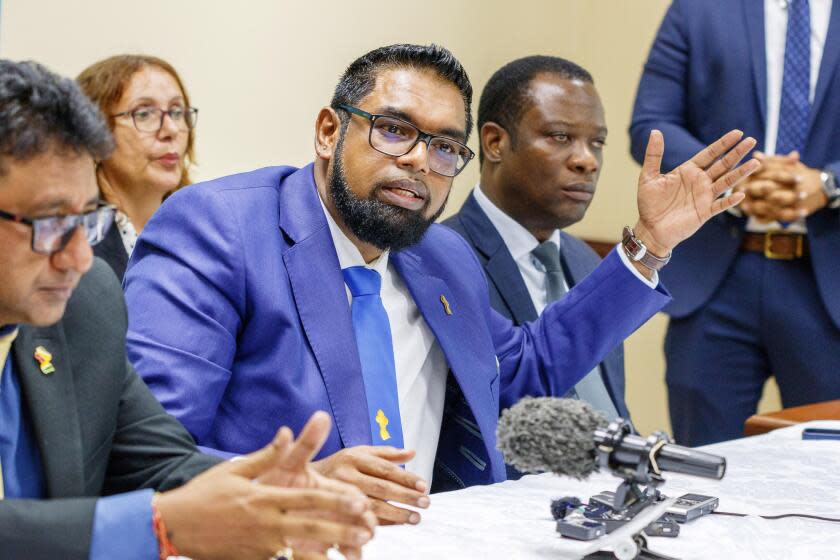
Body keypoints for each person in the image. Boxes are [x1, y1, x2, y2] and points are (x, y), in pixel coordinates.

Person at [123, 44, 755, 525]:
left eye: (445, 147)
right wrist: (296, 485)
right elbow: (149, 450)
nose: (420, 162)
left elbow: (520, 373)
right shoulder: (221, 228)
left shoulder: (439, 253)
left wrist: (649, 244)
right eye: (394, 130)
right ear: (327, 131)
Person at [0, 59, 375, 560]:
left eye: (86, 219)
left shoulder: (88, 303)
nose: (80, 258)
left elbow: (158, 460)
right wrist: (155, 525)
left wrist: (280, 496)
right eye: (49, 223)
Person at [629, 0, 840, 446]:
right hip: (717, 284)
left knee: (830, 478)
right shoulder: (698, 9)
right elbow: (650, 123)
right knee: (703, 472)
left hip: (829, 290)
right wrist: (733, 178)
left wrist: (828, 183)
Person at [444, 56, 629, 428]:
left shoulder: (587, 261)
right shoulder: (445, 259)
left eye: (597, 142)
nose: (587, 160)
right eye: (560, 137)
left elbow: (611, 410)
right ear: (495, 142)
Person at [77, 55, 196, 279]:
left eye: (177, 112)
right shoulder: (71, 240)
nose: (170, 129)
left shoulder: (202, 229)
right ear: (94, 133)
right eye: (144, 114)